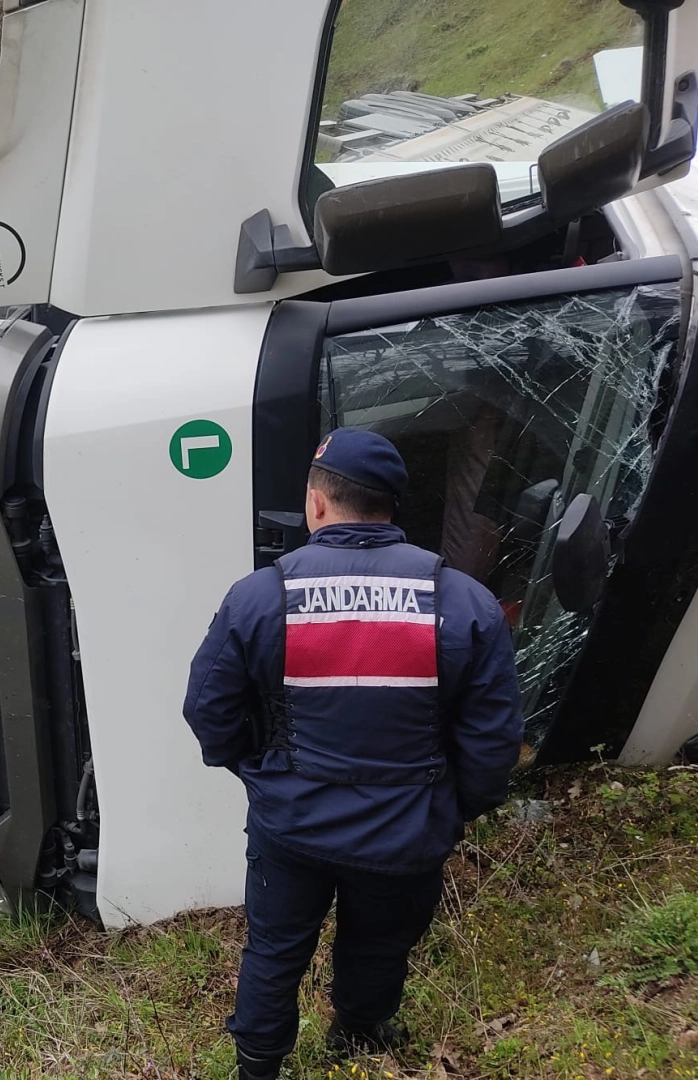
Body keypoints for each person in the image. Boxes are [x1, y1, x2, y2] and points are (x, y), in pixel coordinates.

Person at [182, 429, 524, 1080]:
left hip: (292, 824)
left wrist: (262, 774)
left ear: (316, 502)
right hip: (406, 830)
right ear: (391, 507)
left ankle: (258, 1065)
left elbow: (208, 711)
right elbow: (493, 739)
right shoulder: (463, 602)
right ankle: (359, 1034)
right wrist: (454, 808)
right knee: (381, 942)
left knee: (275, 950)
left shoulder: (259, 597)